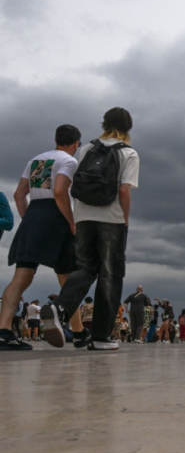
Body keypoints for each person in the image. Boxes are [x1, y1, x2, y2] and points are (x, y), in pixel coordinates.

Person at [50, 108, 139, 351]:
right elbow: (123, 190)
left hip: (84, 217)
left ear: (104, 123)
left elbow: (75, 184)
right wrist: (126, 219)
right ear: (128, 127)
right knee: (110, 275)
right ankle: (100, 337)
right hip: (112, 219)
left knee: (85, 267)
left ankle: (60, 308)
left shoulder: (86, 148)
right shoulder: (128, 153)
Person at [0, 125, 89, 351]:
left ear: (56, 139)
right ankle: (78, 333)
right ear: (76, 143)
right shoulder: (69, 161)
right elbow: (60, 191)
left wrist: (28, 218)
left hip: (34, 215)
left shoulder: (37, 160)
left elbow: (19, 194)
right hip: (56, 216)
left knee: (22, 275)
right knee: (67, 278)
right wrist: (70, 221)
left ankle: (4, 331)